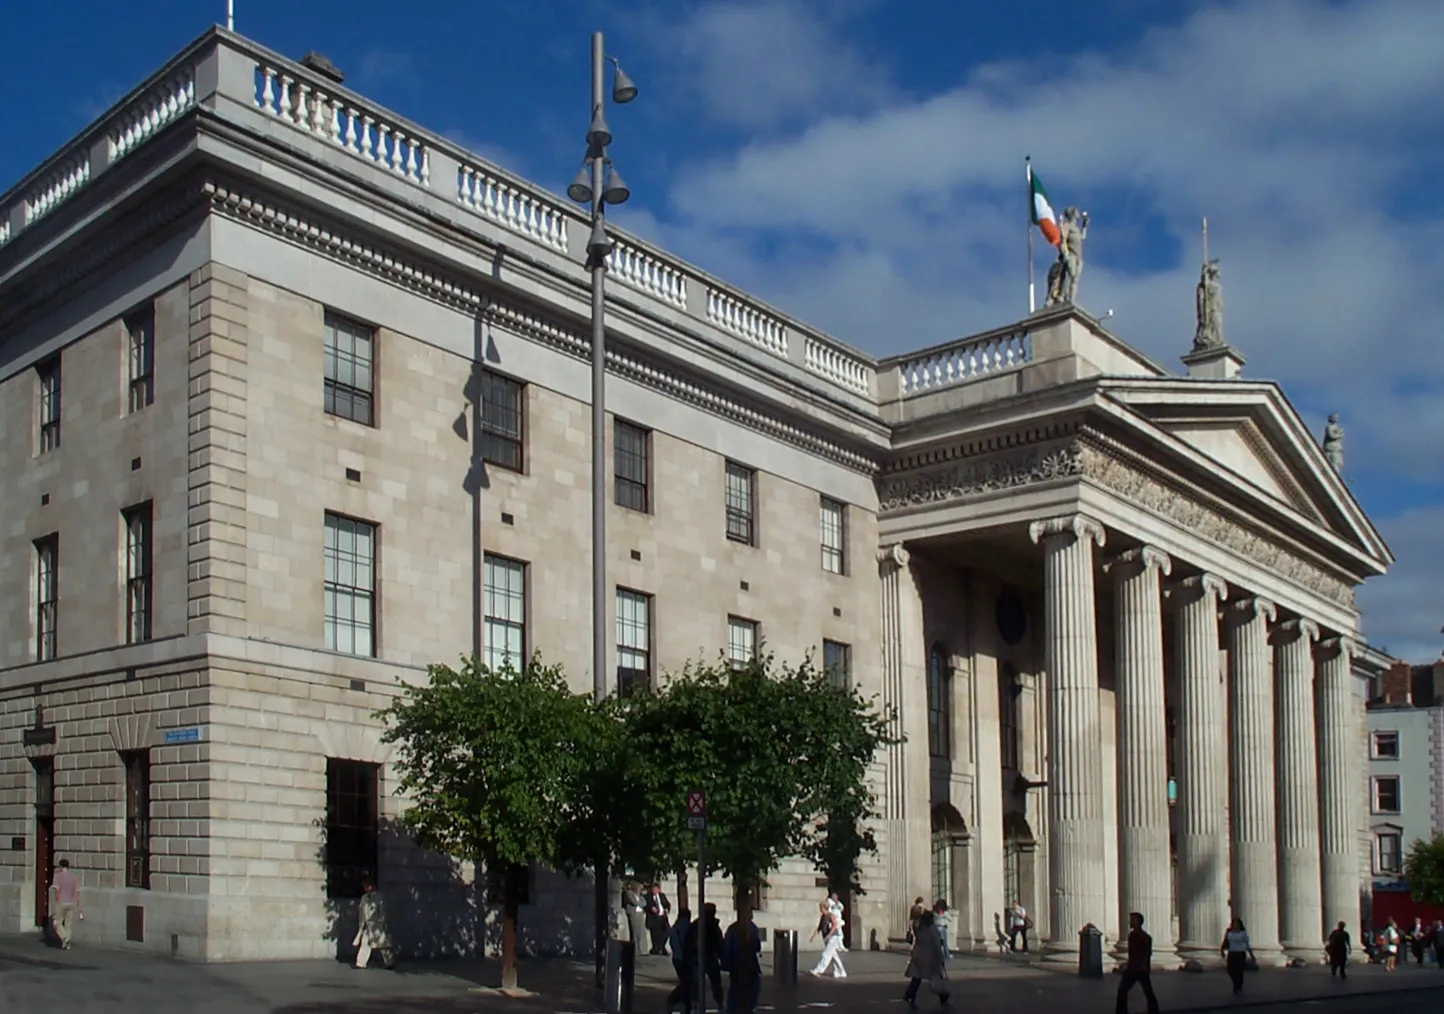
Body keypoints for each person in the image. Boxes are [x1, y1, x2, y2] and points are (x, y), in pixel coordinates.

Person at [903, 910, 949, 1009]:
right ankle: (943, 997)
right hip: (930, 957)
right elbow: (937, 945)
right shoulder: (932, 929)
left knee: (916, 978)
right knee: (936, 977)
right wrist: (941, 958)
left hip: (918, 955)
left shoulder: (919, 928)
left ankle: (910, 995)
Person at [1116, 912, 1160, 1014]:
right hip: (1135, 968)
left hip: (1139, 969)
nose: (1130, 922)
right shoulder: (1132, 936)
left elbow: (1146, 953)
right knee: (1126, 990)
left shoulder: (1143, 937)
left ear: (1139, 922)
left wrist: (1142, 965)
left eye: (1133, 920)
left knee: (1144, 991)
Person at [683, 903, 725, 1010]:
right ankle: (698, 1004)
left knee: (706, 982)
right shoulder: (700, 925)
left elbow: (719, 942)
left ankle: (713, 1003)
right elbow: (719, 942)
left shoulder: (703, 925)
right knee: (699, 982)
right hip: (701, 957)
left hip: (706, 956)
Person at [722, 911, 763, 1014]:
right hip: (750, 967)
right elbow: (757, 947)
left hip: (736, 968)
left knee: (735, 997)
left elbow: (727, 949)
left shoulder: (732, 929)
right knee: (749, 997)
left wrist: (726, 964)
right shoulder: (753, 928)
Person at [353, 876, 395, 969]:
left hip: (377, 925)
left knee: (383, 944)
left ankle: (389, 962)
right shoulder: (364, 898)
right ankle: (360, 963)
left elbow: (382, 912)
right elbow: (361, 911)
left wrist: (382, 923)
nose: (365, 888)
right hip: (367, 925)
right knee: (365, 944)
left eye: (367, 886)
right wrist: (362, 925)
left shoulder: (379, 897)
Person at [50, 858, 82, 950]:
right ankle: (66, 943)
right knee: (68, 924)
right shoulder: (73, 876)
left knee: (57, 922)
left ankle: (64, 937)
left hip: (61, 902)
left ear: (60, 866)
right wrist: (79, 904)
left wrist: (56, 901)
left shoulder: (57, 876)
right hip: (71, 902)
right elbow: (76, 892)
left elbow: (57, 890)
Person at [809, 899, 846, 977]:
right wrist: (813, 936)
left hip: (834, 937)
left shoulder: (831, 915)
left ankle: (818, 970)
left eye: (820, 907)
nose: (819, 908)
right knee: (833, 955)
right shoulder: (823, 916)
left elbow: (835, 925)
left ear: (823, 907)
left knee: (826, 954)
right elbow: (819, 927)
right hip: (827, 937)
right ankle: (841, 971)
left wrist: (829, 935)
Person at [667, 907, 693, 1009]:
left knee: (685, 982)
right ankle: (674, 1000)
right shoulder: (685, 926)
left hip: (677, 958)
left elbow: (672, 942)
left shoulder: (676, 926)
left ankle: (682, 1002)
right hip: (684, 959)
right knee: (687, 983)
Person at [1221, 917, 1255, 995]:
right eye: (1234, 923)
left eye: (1237, 923)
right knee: (1230, 969)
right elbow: (1225, 941)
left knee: (1239, 971)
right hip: (1232, 953)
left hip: (1240, 953)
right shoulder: (1229, 932)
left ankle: (1238, 986)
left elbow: (1247, 944)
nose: (1235, 925)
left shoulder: (1243, 933)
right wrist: (1222, 950)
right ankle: (1236, 983)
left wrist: (1252, 955)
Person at [646, 882, 673, 956]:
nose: (654, 890)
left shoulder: (662, 896)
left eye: (656, 889)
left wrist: (667, 909)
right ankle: (656, 949)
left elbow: (667, 904)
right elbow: (646, 905)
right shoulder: (648, 896)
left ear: (658, 889)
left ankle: (661, 947)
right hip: (654, 918)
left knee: (667, 932)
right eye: (653, 889)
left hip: (663, 917)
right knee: (655, 935)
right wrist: (651, 908)